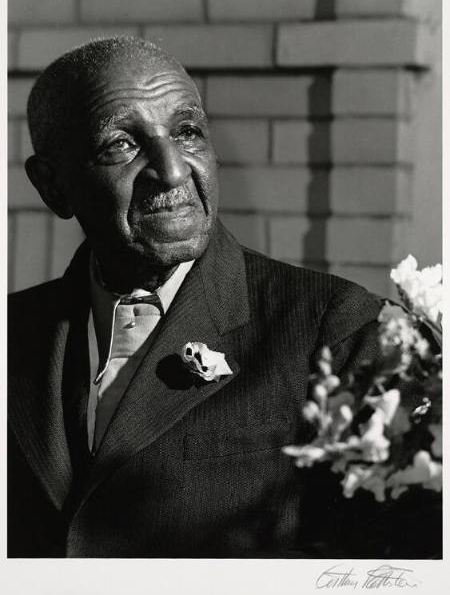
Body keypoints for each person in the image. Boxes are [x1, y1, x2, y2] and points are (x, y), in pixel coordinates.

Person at [8, 36, 386, 558]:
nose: (172, 169)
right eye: (122, 143)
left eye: (187, 132)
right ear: (53, 186)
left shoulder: (335, 329)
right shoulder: (14, 334)